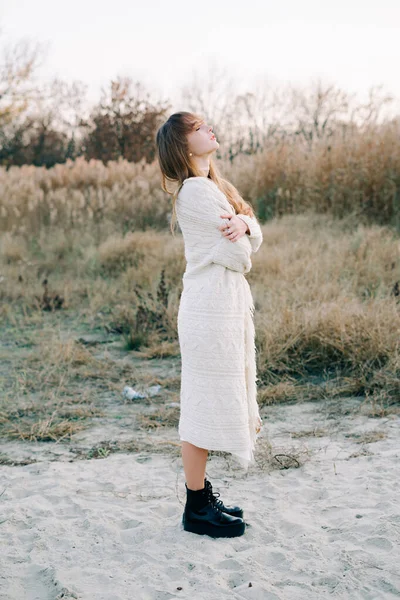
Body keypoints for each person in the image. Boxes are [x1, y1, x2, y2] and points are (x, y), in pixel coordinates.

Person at [155, 112, 263, 538]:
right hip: (208, 310)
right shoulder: (197, 193)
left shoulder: (216, 187)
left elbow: (253, 232)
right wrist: (244, 237)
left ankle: (200, 498)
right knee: (201, 404)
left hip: (222, 307)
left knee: (209, 399)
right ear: (183, 144)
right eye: (198, 127)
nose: (209, 128)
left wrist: (245, 224)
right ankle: (196, 506)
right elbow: (242, 257)